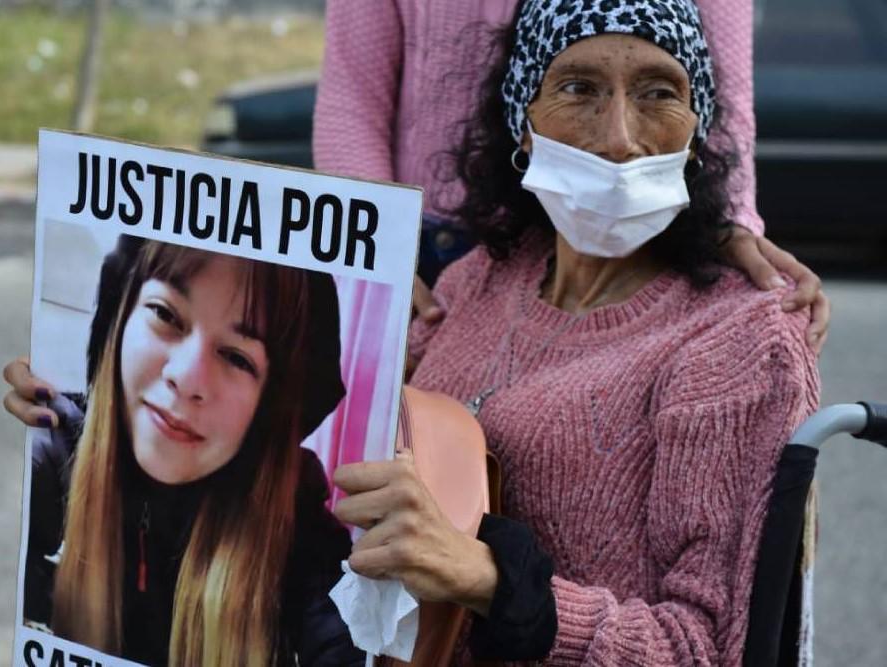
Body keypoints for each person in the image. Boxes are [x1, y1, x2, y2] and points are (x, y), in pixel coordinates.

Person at [331, 1, 820, 664]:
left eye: (659, 92)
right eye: (578, 88)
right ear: (523, 125)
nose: (620, 137)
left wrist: (497, 585)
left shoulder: (737, 341)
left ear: (698, 132)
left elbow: (708, 646)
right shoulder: (474, 283)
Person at [314, 0, 831, 353]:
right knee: (411, 465)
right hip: (420, 251)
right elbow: (351, 97)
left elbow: (719, 91)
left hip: (601, 230)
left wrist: (731, 221)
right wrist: (372, 254)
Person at [18, 236, 363, 666]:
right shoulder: (49, 450)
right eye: (165, 315)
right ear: (119, 320)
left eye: (237, 358)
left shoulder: (297, 529)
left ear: (268, 410)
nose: (186, 377)